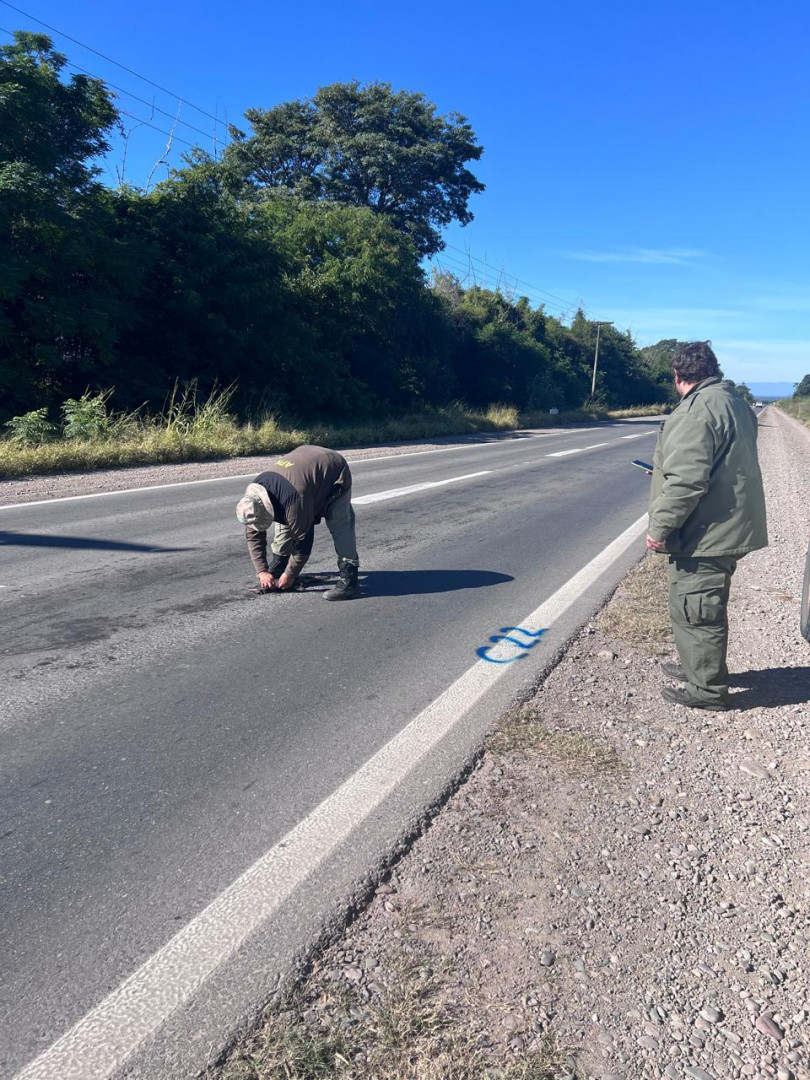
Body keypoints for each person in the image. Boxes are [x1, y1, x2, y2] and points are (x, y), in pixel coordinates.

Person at [647, 342, 767, 710]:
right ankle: (697, 667)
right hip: (731, 524)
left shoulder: (695, 411)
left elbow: (686, 482)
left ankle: (707, 691)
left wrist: (660, 527)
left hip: (707, 531)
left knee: (696, 609)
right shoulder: (735, 403)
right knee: (705, 605)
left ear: (678, 376)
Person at [235, 445, 361, 601]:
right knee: (284, 520)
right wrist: (262, 571)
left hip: (332, 469)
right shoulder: (252, 500)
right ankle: (279, 564)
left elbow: (303, 542)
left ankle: (350, 580)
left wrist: (290, 574)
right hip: (301, 471)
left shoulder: (294, 499)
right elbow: (254, 537)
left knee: (339, 523)